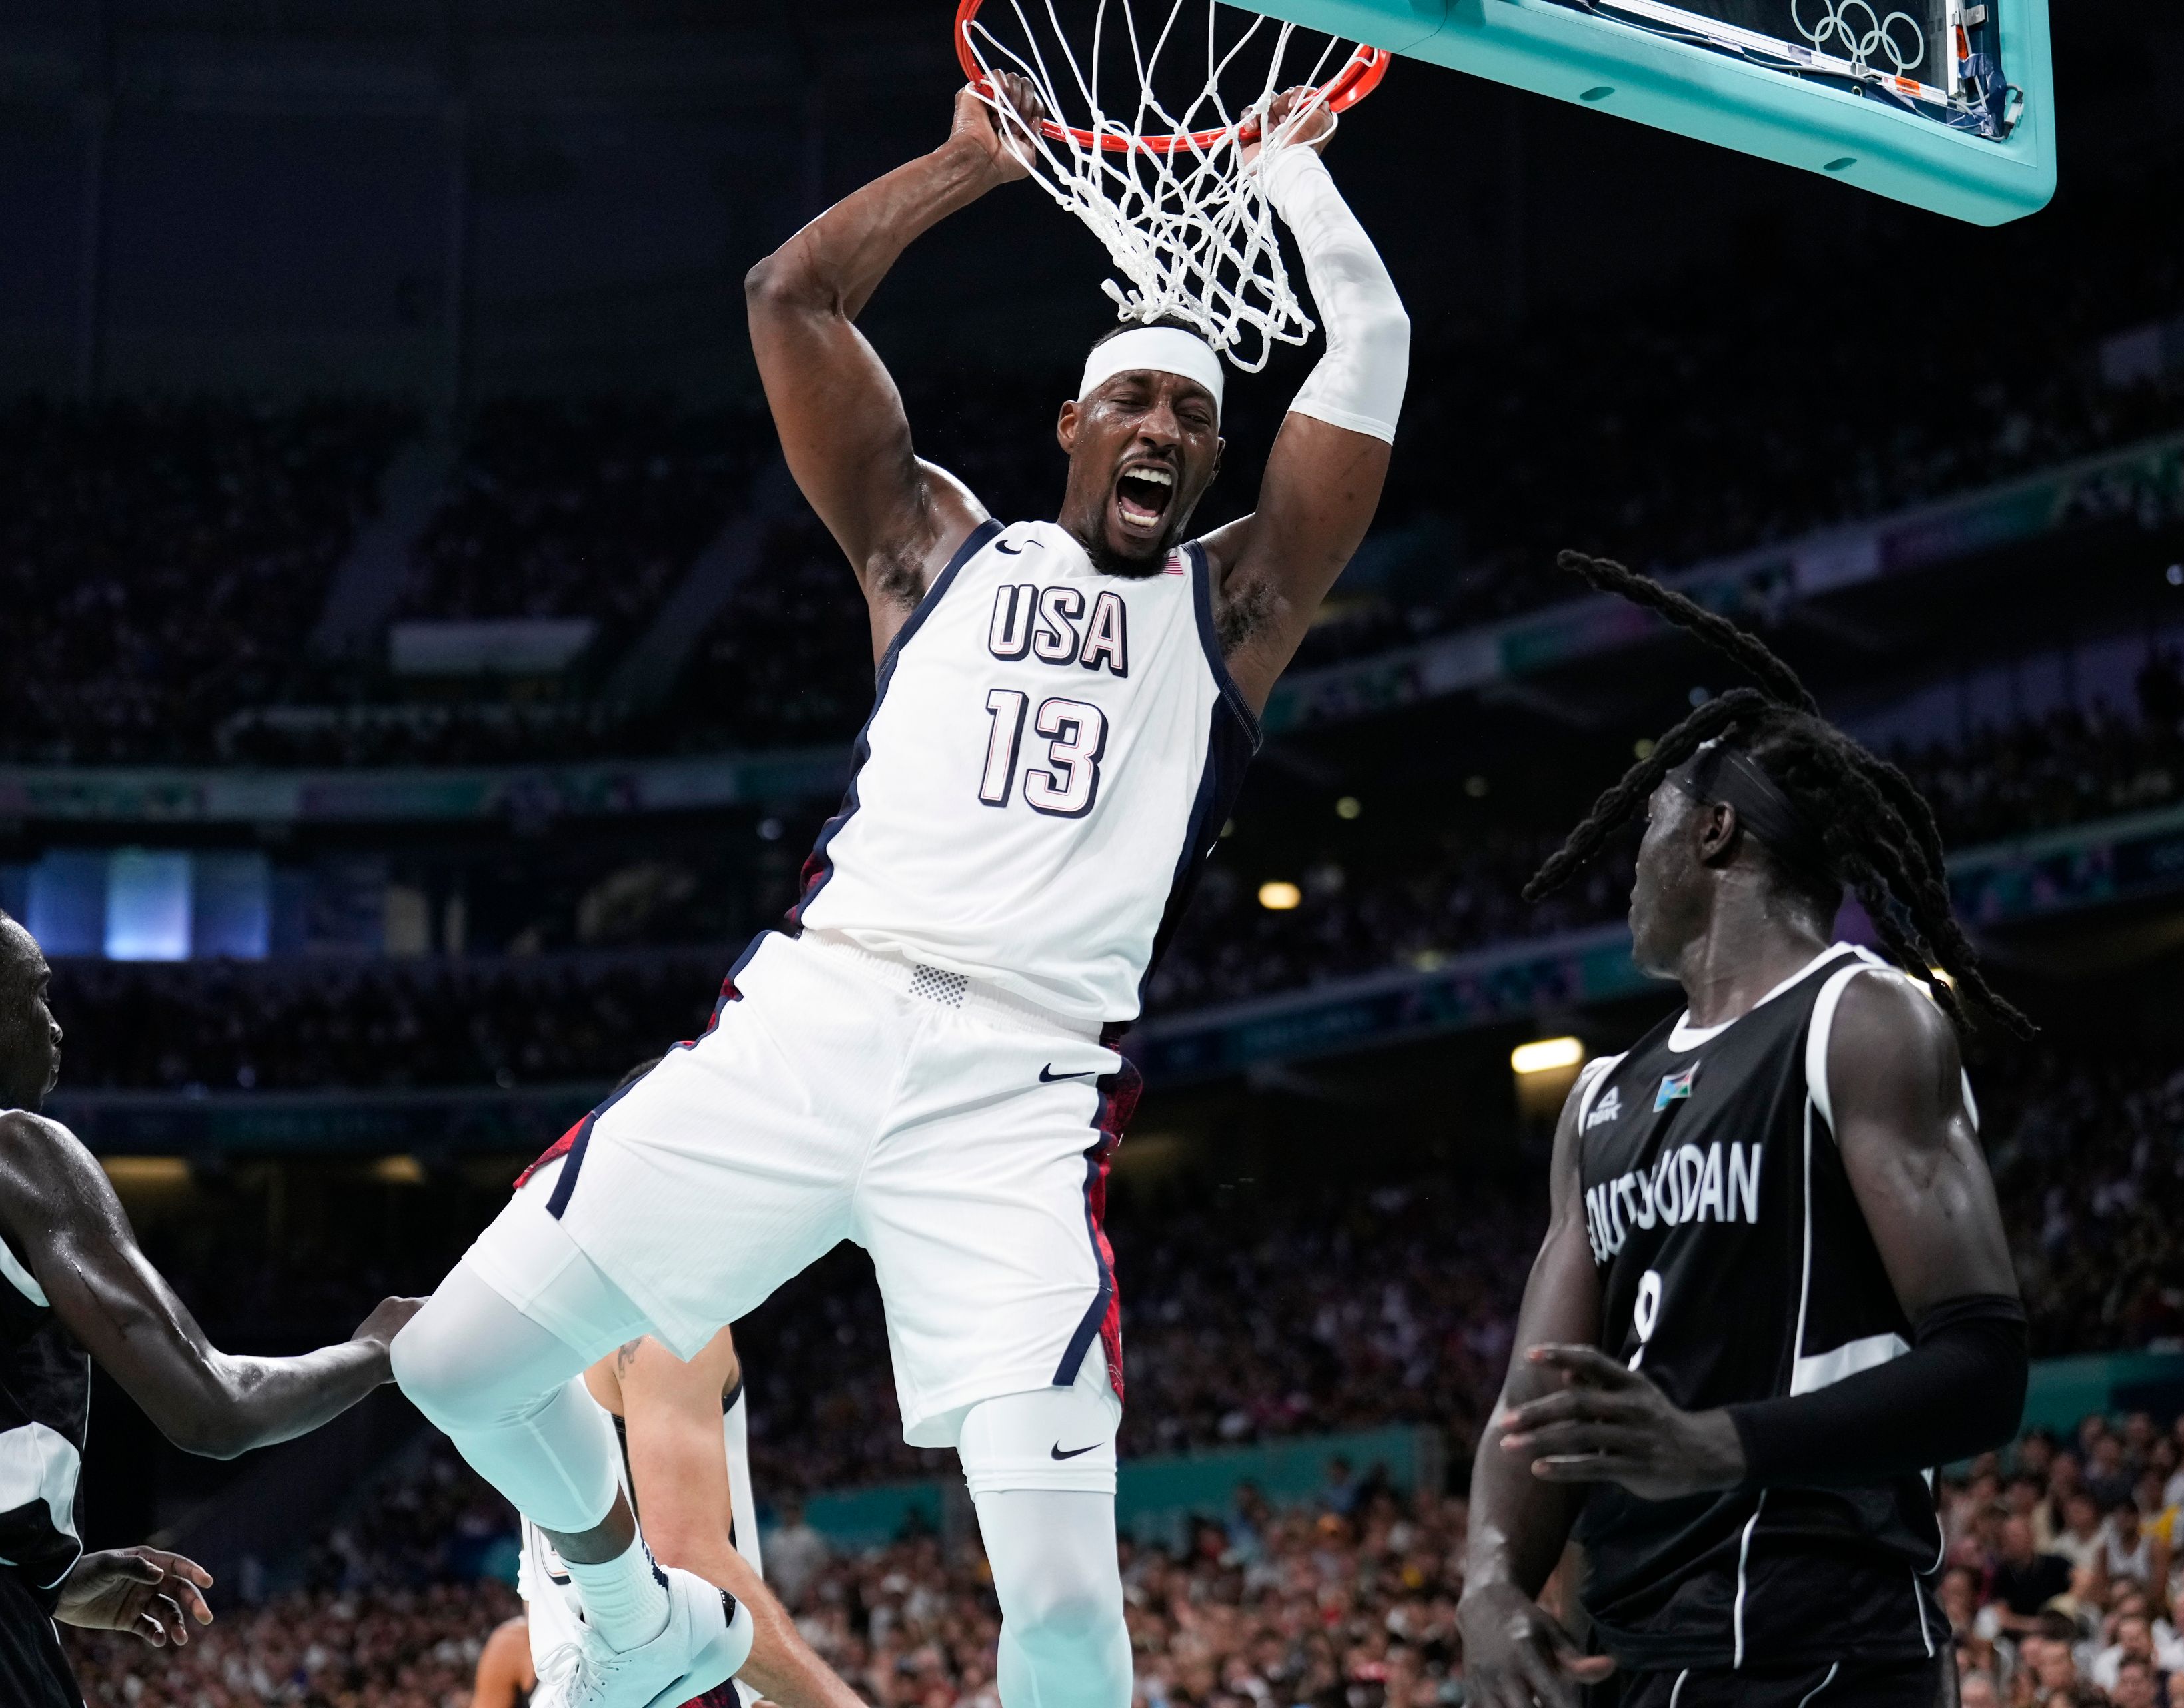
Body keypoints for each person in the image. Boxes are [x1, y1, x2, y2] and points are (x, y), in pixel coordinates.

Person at [390, 68, 1406, 1708]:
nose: (1164, 425)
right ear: (1070, 425)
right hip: (816, 1014)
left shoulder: (1235, 607)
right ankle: (635, 1610)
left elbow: (1363, 360)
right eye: (1135, 399)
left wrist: (1298, 184)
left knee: (1072, 1613)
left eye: (1196, 416)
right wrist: (961, 166)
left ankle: (657, 1617)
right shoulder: (930, 543)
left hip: (1019, 1095)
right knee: (448, 1362)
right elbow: (788, 294)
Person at [1453, 556, 2033, 1708]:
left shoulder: (1860, 1022)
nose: (1630, 859)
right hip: (1627, 1648)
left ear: (1716, 833)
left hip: (1816, 1643)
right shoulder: (1600, 1097)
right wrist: (1488, 1580)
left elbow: (1984, 1367)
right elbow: (1539, 1402)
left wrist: (1720, 1444)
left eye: (1651, 821)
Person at [0, 885, 418, 1707]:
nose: (55, 1024)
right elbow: (214, 1409)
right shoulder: (10, 1147)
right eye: (40, 990)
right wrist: (373, 1352)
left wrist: (54, 1576)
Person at [500, 1324, 863, 1708]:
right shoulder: (662, 1325)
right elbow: (688, 1559)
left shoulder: (524, 1361)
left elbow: (541, 1591)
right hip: (678, 1688)